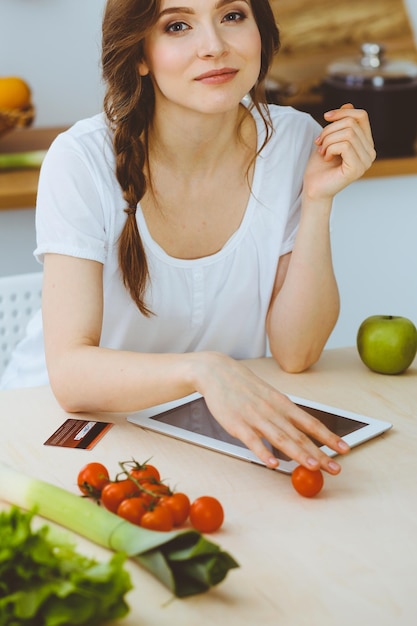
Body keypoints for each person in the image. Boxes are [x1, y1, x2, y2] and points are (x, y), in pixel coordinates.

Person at [1, 0, 376, 474]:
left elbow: (297, 352)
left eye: (232, 16)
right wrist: (202, 369)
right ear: (140, 54)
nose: (214, 47)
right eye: (178, 26)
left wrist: (319, 199)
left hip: (193, 432)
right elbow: (70, 376)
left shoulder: (294, 140)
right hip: (56, 430)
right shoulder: (81, 158)